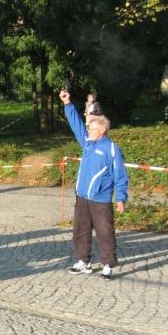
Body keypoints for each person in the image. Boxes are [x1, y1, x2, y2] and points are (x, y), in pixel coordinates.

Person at [59, 89, 129, 280]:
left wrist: (121, 197)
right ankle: (84, 262)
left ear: (102, 130)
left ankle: (107, 265)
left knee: (105, 232)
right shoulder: (88, 143)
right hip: (82, 197)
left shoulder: (112, 149)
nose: (88, 131)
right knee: (80, 231)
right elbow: (76, 125)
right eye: (89, 129)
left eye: (91, 129)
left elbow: (120, 175)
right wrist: (67, 103)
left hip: (101, 199)